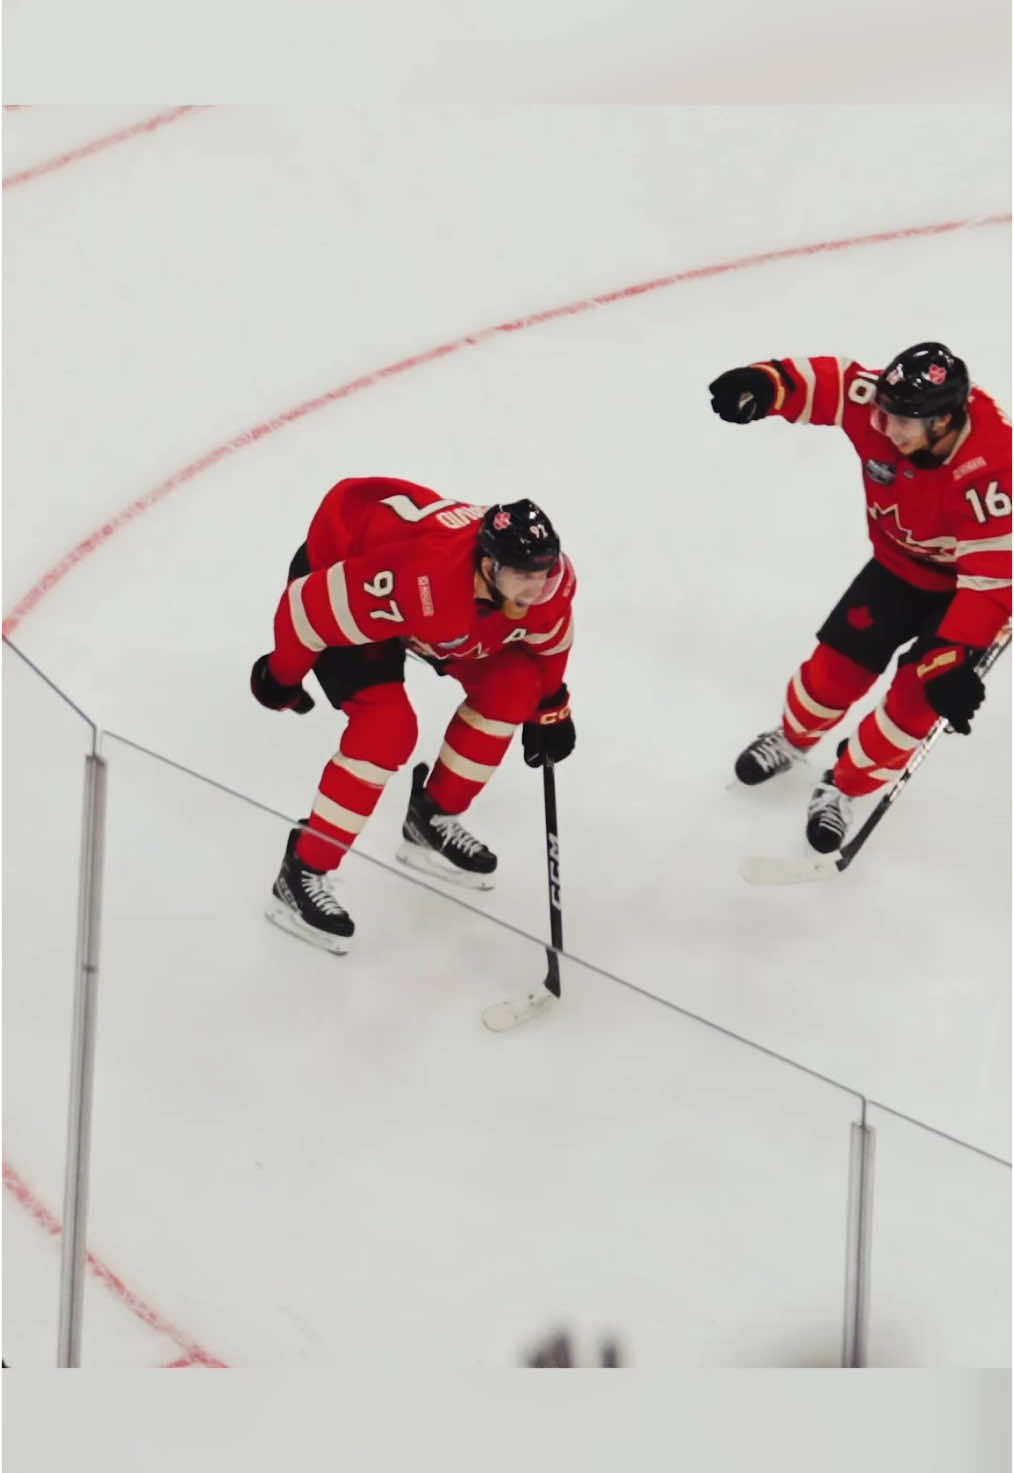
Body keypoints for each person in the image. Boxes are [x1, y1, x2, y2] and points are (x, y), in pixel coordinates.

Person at [708, 342, 1011, 851]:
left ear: (943, 421)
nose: (886, 429)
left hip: (967, 592)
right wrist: (765, 383)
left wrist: (954, 657)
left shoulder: (995, 467)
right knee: (831, 672)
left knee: (915, 705)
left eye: (903, 422)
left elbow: (992, 579)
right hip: (895, 569)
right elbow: (830, 382)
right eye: (885, 413)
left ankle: (844, 787)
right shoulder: (884, 411)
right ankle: (792, 739)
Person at [250, 477, 576, 950]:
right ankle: (301, 871)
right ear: (489, 566)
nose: (538, 587)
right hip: (345, 569)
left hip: (441, 610)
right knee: (387, 730)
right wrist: (280, 677)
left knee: (515, 687)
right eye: (524, 577)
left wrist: (551, 706)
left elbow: (548, 644)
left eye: (544, 574)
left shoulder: (542, 584)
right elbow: (309, 609)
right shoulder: (424, 579)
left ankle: (431, 818)